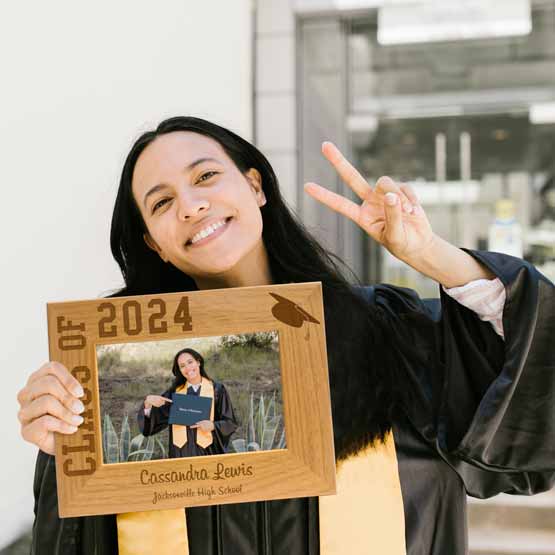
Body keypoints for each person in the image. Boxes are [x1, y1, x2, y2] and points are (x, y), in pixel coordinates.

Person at [17, 116, 555, 555]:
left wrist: (430, 255)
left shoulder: (382, 330)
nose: (190, 205)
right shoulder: (112, 366)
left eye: (205, 177)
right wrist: (59, 436)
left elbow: (519, 397)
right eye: (161, 203)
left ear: (254, 185)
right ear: (154, 242)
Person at [139, 347, 238, 458]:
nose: (187, 368)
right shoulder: (174, 393)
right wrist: (148, 405)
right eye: (182, 366)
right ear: (180, 370)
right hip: (180, 456)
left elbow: (230, 423)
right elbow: (150, 426)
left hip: (209, 454)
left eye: (190, 362)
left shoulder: (217, 390)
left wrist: (213, 425)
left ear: (198, 362)